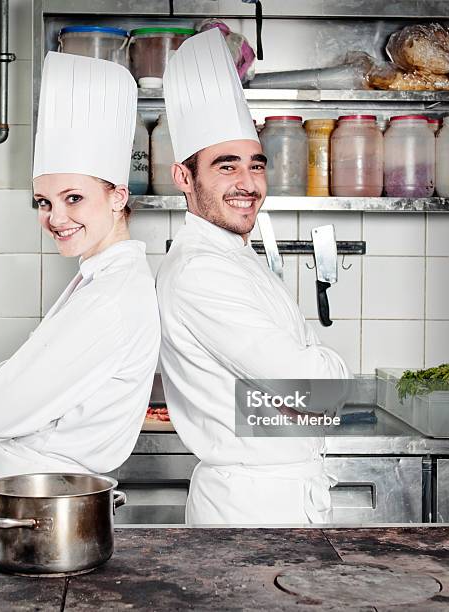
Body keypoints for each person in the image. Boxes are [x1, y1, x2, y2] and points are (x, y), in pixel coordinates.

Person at [157, 29, 351, 526]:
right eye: (226, 167)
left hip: (279, 498)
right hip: (250, 512)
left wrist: (291, 393)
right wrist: (320, 374)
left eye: (255, 165)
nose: (247, 184)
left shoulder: (235, 256)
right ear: (184, 177)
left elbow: (300, 395)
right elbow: (314, 390)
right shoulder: (201, 271)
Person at [0, 52, 160, 523]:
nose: (55, 218)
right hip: (34, 503)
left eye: (74, 198)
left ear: (118, 196)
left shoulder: (111, 300)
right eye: (43, 201)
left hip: (41, 514)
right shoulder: (99, 281)